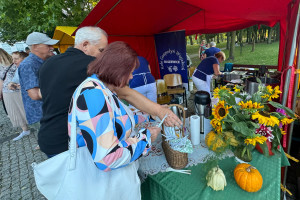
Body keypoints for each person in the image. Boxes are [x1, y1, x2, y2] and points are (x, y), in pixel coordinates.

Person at [39, 26, 181, 158]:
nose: (102, 58)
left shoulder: (48, 64)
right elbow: (125, 93)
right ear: (85, 45)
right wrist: (159, 111)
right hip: (74, 143)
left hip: (48, 135)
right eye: (101, 51)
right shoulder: (90, 66)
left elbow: (42, 95)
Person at [68, 41, 161, 199]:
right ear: (117, 70)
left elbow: (114, 118)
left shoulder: (101, 88)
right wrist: (146, 138)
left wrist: (146, 115)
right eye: (130, 72)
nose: (131, 77)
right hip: (103, 185)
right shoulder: (94, 95)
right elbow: (108, 158)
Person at [18, 32, 58, 128]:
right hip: (42, 115)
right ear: (35, 47)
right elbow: (35, 94)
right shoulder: (28, 65)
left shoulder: (45, 61)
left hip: (50, 112)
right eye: (48, 45)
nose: (52, 47)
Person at [0, 51, 30, 141]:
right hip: (7, 91)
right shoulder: (12, 63)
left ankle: (33, 127)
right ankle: (25, 130)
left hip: (16, 89)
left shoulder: (14, 63)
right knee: (15, 111)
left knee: (23, 109)